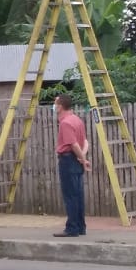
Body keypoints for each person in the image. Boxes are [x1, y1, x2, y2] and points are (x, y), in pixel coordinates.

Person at [53, 93, 89, 238]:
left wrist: (82, 159)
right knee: (78, 194)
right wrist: (82, 157)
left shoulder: (66, 123)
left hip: (68, 160)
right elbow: (85, 142)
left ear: (60, 106)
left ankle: (72, 228)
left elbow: (73, 144)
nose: (54, 106)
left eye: (55, 103)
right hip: (76, 159)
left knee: (70, 195)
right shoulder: (77, 120)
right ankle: (81, 226)